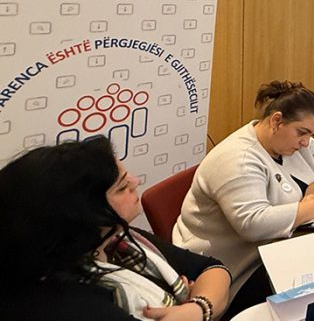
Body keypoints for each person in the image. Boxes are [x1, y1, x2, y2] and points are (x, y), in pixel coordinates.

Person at [174, 81, 314, 315]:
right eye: (302, 133)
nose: (306, 142)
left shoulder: (297, 143)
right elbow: (253, 224)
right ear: (276, 121)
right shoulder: (237, 158)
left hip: (276, 248)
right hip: (232, 270)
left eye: (311, 135)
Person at [0, 137, 231, 320]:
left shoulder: (117, 239)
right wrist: (198, 302)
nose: (136, 182)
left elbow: (212, 268)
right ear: (83, 213)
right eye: (122, 187)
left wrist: (196, 308)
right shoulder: (68, 303)